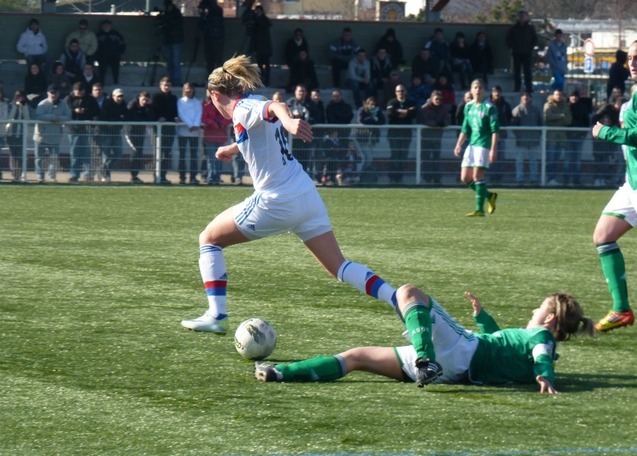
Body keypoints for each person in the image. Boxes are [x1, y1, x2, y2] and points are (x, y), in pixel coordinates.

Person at [180, 55, 397, 333]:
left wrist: (290, 121)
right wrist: (233, 148)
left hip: (276, 200)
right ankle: (399, 300)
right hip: (306, 195)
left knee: (208, 239)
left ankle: (216, 316)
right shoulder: (248, 105)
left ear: (214, 94)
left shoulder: (242, 107)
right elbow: (261, 129)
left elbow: (275, 106)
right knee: (339, 267)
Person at [256, 283, 595, 395]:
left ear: (549, 319)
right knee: (357, 356)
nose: (534, 310)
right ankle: (280, 372)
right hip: (457, 370)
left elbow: (540, 352)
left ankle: (424, 357)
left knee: (408, 292)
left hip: (461, 350)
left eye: (539, 307)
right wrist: (482, 316)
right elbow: (501, 343)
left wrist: (545, 375)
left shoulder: (540, 339)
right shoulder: (529, 340)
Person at [589, 41, 637, 332]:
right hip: (632, 186)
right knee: (603, 236)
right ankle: (621, 309)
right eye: (631, 58)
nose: (633, 63)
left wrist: (604, 132)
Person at [454, 79, 499, 217]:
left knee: (477, 176)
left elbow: (495, 130)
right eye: (475, 87)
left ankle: (479, 210)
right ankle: (489, 196)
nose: (478, 89)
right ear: (471, 90)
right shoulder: (468, 107)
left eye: (480, 87)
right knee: (465, 178)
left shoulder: (490, 107)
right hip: (472, 145)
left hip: (483, 145)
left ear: (484, 90)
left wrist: (493, 149)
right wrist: (459, 144)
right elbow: (465, 128)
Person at [33, 85, 71, 183]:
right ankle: (39, 175)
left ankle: (52, 176)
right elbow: (38, 116)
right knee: (39, 158)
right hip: (41, 135)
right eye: (51, 93)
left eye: (55, 93)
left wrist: (58, 118)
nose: (53, 95)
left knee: (54, 158)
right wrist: (51, 117)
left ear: (58, 93)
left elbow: (68, 116)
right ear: (48, 93)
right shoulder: (42, 104)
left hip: (55, 135)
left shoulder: (63, 104)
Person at [66, 81, 100, 183]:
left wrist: (85, 111)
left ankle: (87, 174)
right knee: (74, 152)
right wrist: (74, 111)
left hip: (86, 128)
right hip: (73, 129)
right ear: (74, 90)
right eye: (77, 91)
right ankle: (74, 174)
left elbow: (97, 111)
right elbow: (65, 110)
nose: (79, 93)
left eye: (81, 91)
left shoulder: (90, 99)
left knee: (86, 152)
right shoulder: (68, 99)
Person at [418, 90, 451, 185]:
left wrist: (443, 123)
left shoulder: (442, 108)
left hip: (437, 138)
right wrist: (437, 124)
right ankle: (426, 178)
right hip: (426, 138)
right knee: (426, 159)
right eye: (437, 99)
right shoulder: (424, 108)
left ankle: (437, 178)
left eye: (440, 99)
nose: (438, 101)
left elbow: (447, 119)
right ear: (432, 98)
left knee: (436, 159)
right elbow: (424, 120)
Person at [386, 84, 417, 184]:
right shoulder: (392, 102)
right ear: (395, 92)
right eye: (398, 91)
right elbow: (391, 113)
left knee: (403, 155)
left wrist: (401, 112)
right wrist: (406, 112)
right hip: (393, 134)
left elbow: (414, 113)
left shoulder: (410, 102)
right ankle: (392, 176)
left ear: (405, 92)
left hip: (406, 134)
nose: (400, 93)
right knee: (395, 155)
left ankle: (400, 177)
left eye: (402, 91)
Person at [152, 76, 180, 184]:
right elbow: (153, 111)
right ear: (160, 86)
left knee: (166, 153)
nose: (166, 87)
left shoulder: (173, 98)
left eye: (168, 85)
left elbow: (174, 111)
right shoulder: (156, 97)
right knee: (158, 152)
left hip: (170, 128)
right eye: (164, 85)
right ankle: (157, 175)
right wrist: (158, 118)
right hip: (158, 129)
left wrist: (175, 117)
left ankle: (163, 176)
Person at [511, 91, 542, 185]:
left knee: (533, 160)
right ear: (521, 98)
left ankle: (534, 178)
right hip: (521, 141)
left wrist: (537, 135)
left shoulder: (535, 110)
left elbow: (540, 123)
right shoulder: (517, 110)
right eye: (524, 97)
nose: (526, 98)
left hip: (534, 140)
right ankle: (519, 178)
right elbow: (513, 125)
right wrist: (518, 136)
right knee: (520, 160)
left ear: (530, 98)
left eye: (527, 97)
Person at [98, 88, 128, 183]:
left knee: (118, 154)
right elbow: (106, 116)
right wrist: (119, 117)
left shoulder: (123, 104)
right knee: (106, 155)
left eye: (121, 96)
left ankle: (103, 169)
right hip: (105, 132)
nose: (120, 98)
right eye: (118, 96)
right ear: (113, 96)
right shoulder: (107, 104)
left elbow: (125, 115)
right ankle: (105, 175)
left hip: (116, 132)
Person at [543, 89, 572, 186]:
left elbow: (568, 120)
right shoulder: (548, 105)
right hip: (551, 138)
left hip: (561, 138)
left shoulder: (565, 106)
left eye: (560, 94)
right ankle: (549, 178)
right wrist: (561, 116)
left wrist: (558, 118)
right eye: (557, 94)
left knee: (557, 159)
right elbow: (548, 116)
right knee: (551, 159)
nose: (558, 96)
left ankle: (554, 178)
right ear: (553, 95)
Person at [201, 93, 232, 185]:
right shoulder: (206, 106)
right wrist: (214, 124)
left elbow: (229, 117)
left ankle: (217, 176)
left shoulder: (224, 106)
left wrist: (222, 123)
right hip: (210, 135)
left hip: (221, 136)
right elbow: (204, 119)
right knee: (210, 158)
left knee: (220, 158)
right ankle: (211, 177)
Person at [125, 91, 155, 184]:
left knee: (139, 152)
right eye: (143, 99)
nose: (144, 102)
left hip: (141, 132)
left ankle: (135, 175)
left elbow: (151, 118)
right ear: (139, 98)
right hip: (130, 132)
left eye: (147, 100)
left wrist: (148, 108)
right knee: (135, 152)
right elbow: (131, 117)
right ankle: (133, 175)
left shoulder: (148, 107)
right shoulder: (132, 105)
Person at [506, 8, 538, 93]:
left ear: (526, 17)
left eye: (523, 16)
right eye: (520, 16)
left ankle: (529, 88)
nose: (522, 18)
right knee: (517, 72)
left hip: (527, 53)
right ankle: (517, 87)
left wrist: (530, 47)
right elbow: (508, 39)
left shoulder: (530, 28)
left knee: (527, 71)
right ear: (518, 17)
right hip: (516, 53)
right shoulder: (513, 28)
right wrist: (513, 47)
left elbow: (535, 39)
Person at [177, 82, 202, 185]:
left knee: (193, 155)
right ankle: (182, 176)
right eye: (187, 89)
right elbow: (181, 113)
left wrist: (195, 124)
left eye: (190, 89)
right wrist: (190, 125)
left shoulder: (197, 102)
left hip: (194, 132)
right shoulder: (180, 101)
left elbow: (199, 113)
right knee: (182, 155)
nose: (188, 90)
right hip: (183, 131)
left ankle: (193, 176)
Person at [566, 90, 593, 186]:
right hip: (567, 137)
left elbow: (586, 122)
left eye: (576, 96)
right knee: (568, 158)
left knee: (577, 159)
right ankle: (566, 179)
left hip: (578, 136)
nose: (574, 97)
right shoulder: (566, 107)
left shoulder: (583, 108)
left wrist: (583, 134)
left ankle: (576, 179)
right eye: (572, 95)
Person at [286, 84, 312, 174]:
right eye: (300, 91)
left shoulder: (311, 104)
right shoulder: (289, 104)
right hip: (292, 139)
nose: (301, 93)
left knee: (305, 159)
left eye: (303, 91)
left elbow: (315, 116)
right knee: (291, 159)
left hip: (305, 137)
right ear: (295, 92)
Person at [489, 85, 512, 184]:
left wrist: (504, 124)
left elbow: (509, 117)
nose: (497, 94)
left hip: (501, 135)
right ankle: (491, 177)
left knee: (501, 157)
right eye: (495, 92)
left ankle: (499, 177)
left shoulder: (505, 105)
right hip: (489, 135)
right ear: (492, 93)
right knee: (491, 156)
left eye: (498, 92)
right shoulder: (488, 104)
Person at [6, 90, 30, 182]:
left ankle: (20, 174)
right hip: (11, 133)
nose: (19, 98)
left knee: (20, 155)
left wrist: (23, 107)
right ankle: (14, 175)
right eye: (17, 96)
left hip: (21, 134)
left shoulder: (25, 106)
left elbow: (27, 118)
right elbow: (9, 117)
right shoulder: (10, 105)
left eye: (21, 97)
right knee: (13, 155)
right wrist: (15, 107)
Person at [159, 0, 184, 86]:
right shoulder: (165, 14)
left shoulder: (176, 14)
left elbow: (177, 25)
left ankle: (176, 80)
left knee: (176, 61)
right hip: (168, 40)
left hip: (175, 40)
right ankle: (170, 80)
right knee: (169, 61)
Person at [95, 19, 126, 85]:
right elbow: (94, 46)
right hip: (102, 56)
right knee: (102, 68)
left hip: (114, 55)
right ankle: (102, 81)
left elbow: (123, 44)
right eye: (104, 25)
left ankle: (116, 81)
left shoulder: (116, 34)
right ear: (102, 26)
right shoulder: (98, 35)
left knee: (116, 67)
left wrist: (119, 52)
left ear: (111, 26)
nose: (106, 27)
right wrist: (97, 55)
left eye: (108, 25)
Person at [198, 0, 225, 75]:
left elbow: (215, 23)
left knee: (216, 59)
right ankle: (210, 75)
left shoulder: (216, 11)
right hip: (209, 37)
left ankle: (218, 76)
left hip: (216, 38)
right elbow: (202, 24)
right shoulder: (212, 11)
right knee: (209, 59)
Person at [251, 5, 273, 87]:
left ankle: (266, 80)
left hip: (265, 46)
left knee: (267, 65)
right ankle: (260, 80)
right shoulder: (255, 20)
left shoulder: (264, 20)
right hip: (258, 47)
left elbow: (269, 24)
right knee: (259, 65)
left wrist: (260, 17)